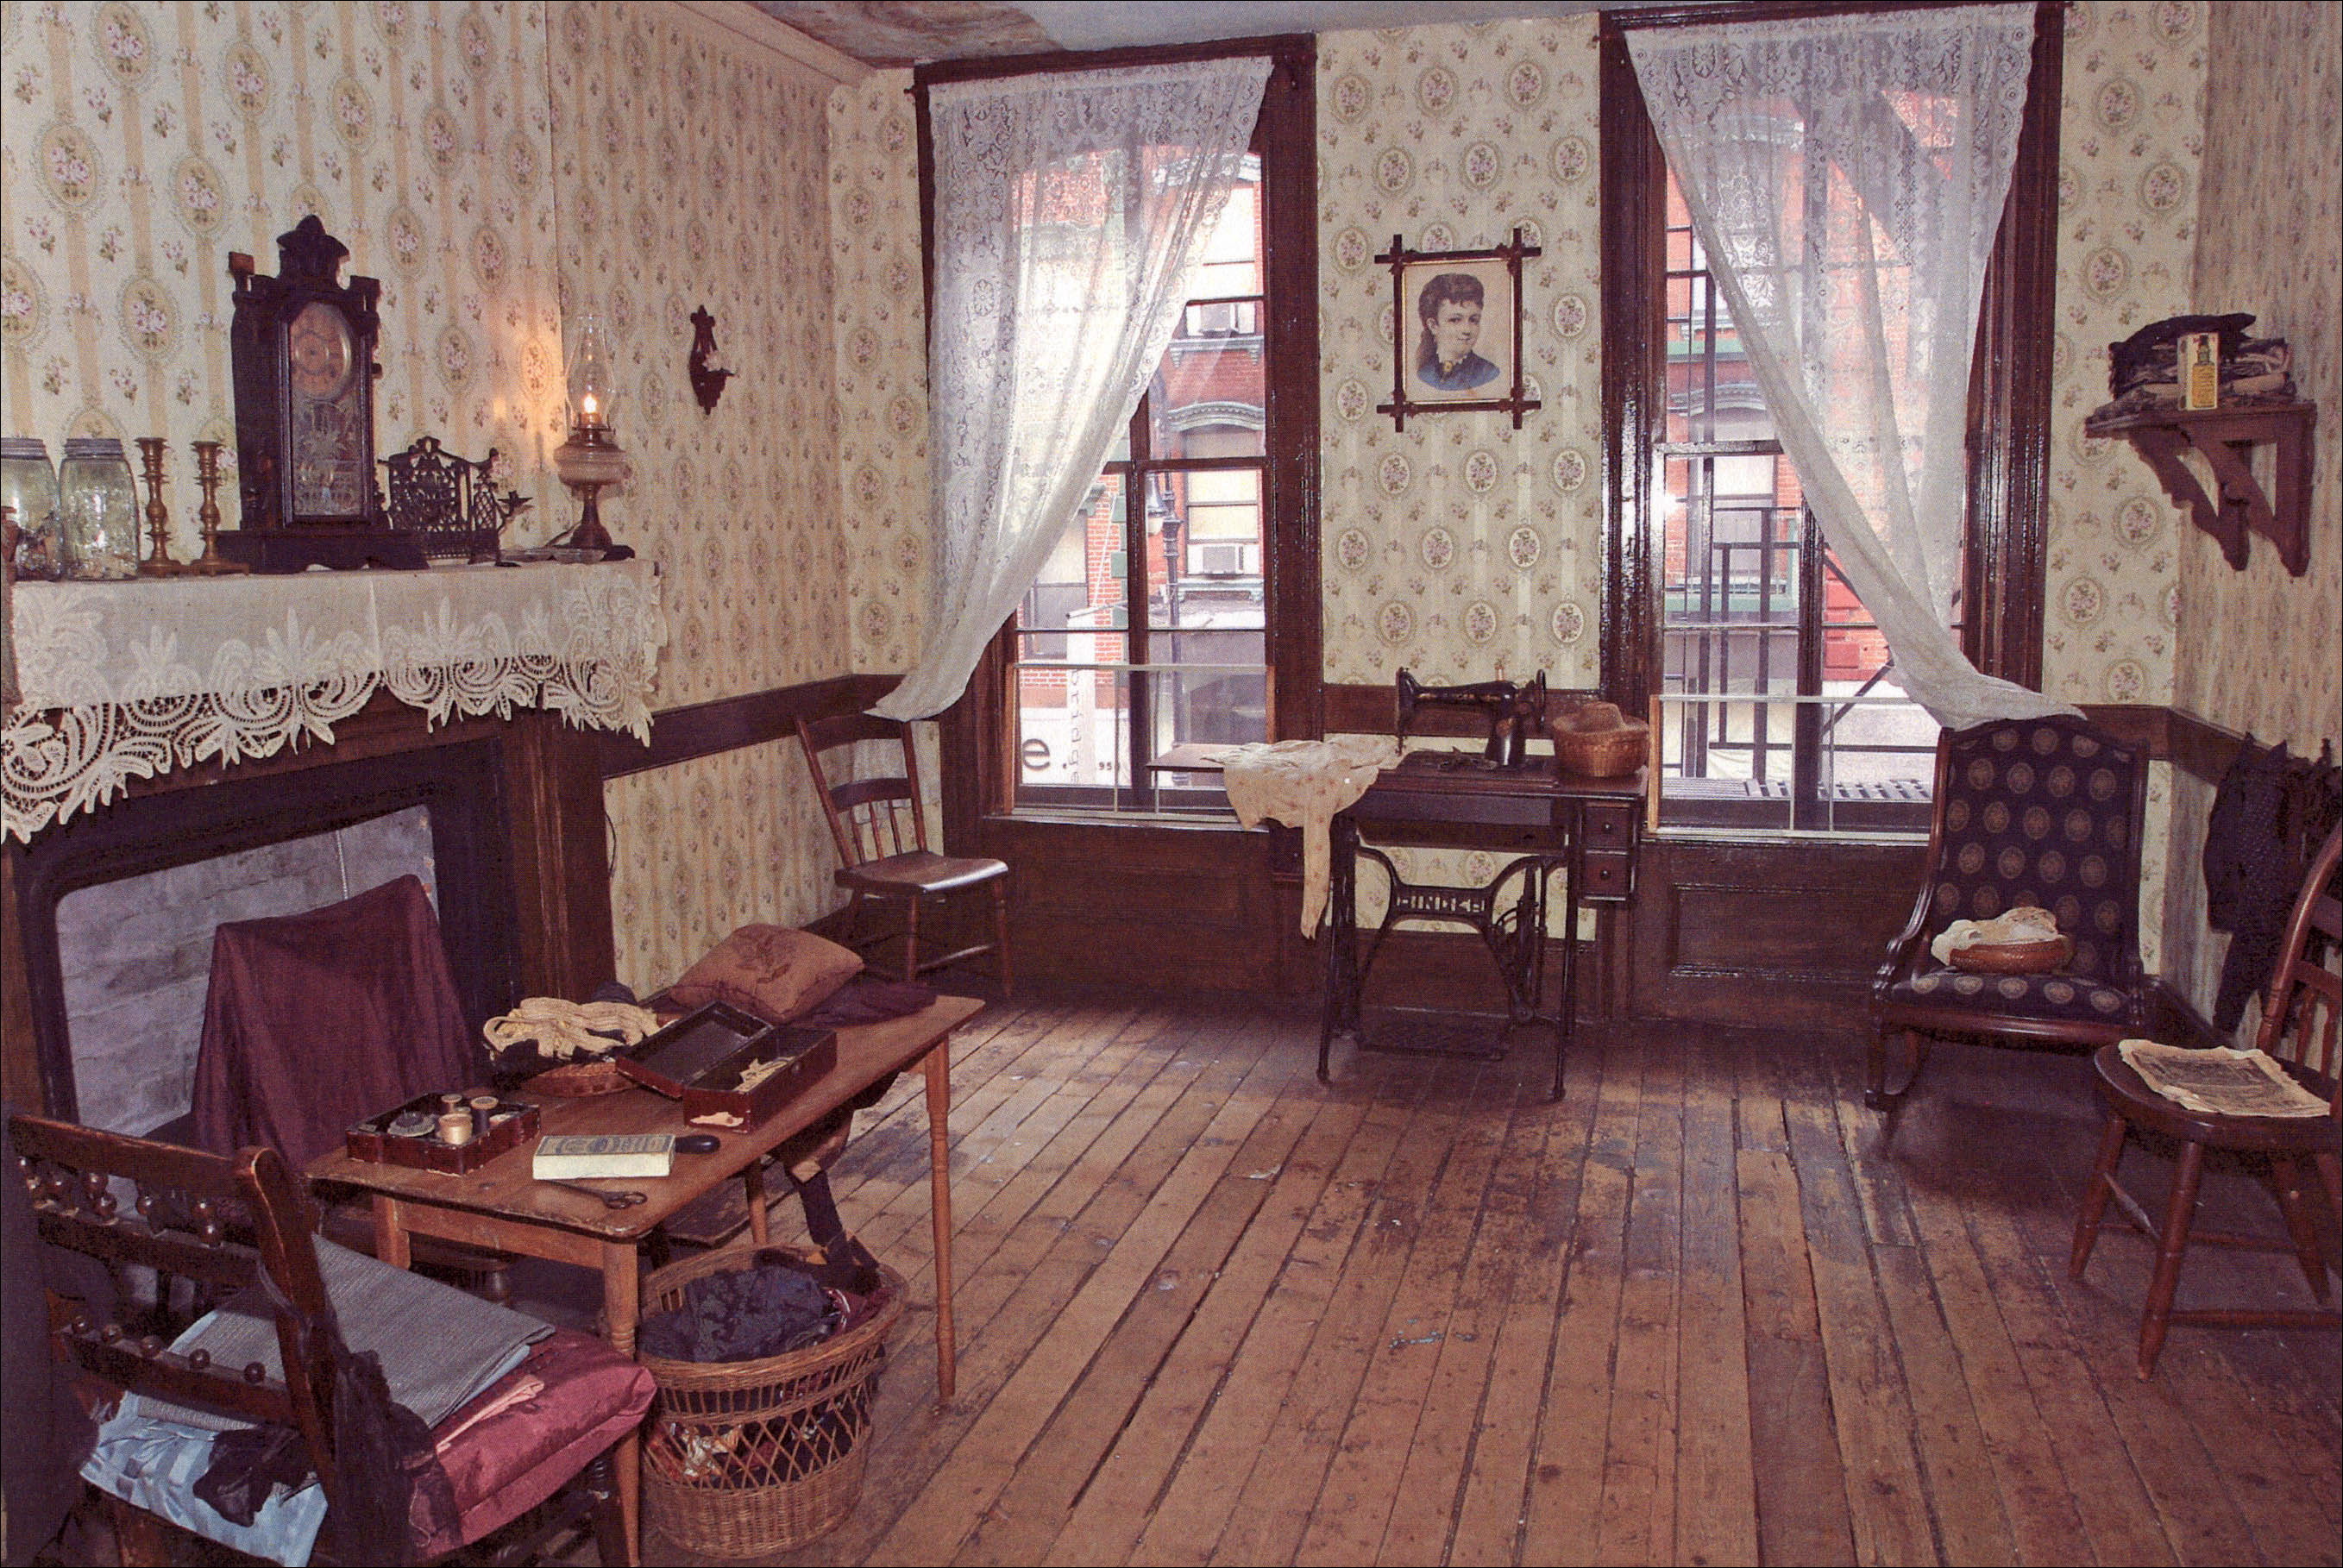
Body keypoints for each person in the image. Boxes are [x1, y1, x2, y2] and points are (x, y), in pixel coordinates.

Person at [1414, 273, 1500, 393]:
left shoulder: (1488, 373)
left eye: (1473, 320)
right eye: (1455, 320)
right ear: (1433, 325)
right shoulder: (1423, 372)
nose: (1467, 330)